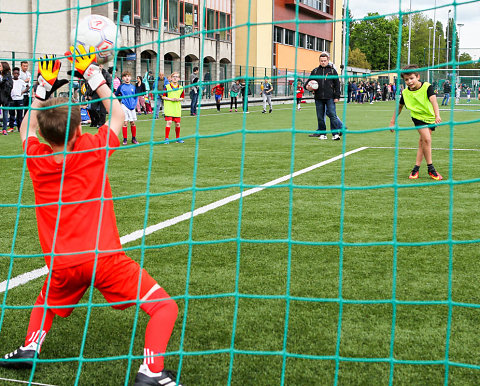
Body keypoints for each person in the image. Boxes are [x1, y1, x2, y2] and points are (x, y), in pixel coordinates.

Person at [0, 48, 182, 386]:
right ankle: (151, 371)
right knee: (164, 307)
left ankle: (30, 346)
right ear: (80, 126)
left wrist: (42, 87)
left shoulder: (36, 158)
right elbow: (118, 115)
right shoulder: (91, 148)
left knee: (46, 299)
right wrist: (93, 75)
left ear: (43, 131)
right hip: (103, 258)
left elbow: (26, 127)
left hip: (62, 261)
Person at [389, 64, 442, 181]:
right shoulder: (405, 93)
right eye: (406, 80)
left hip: (430, 118)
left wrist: (437, 115)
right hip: (417, 118)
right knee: (427, 140)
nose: (409, 81)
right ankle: (431, 169)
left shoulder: (427, 87)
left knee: (423, 143)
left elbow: (434, 102)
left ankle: (416, 169)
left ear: (417, 76)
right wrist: (392, 122)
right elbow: (399, 107)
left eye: (411, 78)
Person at [305, 52, 343, 140]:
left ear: (328, 61)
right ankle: (323, 134)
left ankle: (335, 134)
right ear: (319, 61)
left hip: (330, 97)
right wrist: (307, 87)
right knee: (320, 116)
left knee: (333, 115)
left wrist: (337, 96)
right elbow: (307, 83)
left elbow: (337, 84)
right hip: (318, 98)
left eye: (325, 61)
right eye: (321, 61)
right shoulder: (315, 71)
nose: (323, 62)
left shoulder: (332, 71)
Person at [115, 71, 139, 145]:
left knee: (132, 122)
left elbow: (136, 96)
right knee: (125, 123)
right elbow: (116, 95)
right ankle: (125, 139)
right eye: (125, 76)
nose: (127, 78)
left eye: (128, 76)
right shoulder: (121, 87)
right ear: (123, 78)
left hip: (132, 107)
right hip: (124, 106)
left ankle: (134, 138)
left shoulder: (133, 87)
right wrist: (120, 101)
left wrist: (134, 104)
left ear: (130, 77)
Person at [162, 72, 185, 144]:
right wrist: (170, 99)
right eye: (173, 76)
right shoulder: (167, 87)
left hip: (177, 108)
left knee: (177, 124)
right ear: (171, 78)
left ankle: (177, 138)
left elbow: (182, 98)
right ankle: (166, 139)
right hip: (169, 108)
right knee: (169, 122)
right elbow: (163, 96)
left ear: (179, 79)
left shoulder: (181, 88)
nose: (175, 78)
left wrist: (178, 99)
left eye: (177, 77)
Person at [8, 67, 28, 132]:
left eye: (17, 73)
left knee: (19, 114)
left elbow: (28, 86)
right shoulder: (10, 80)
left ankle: (19, 127)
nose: (16, 74)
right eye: (15, 73)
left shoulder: (21, 81)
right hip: (12, 99)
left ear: (19, 74)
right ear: (13, 73)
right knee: (11, 113)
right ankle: (11, 127)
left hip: (19, 99)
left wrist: (22, 92)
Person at [0, 62, 14, 135]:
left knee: (5, 113)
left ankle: (4, 129)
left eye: (0, 66)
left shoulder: (8, 76)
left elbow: (10, 86)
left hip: (5, 97)